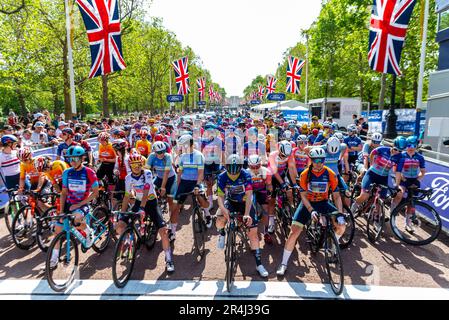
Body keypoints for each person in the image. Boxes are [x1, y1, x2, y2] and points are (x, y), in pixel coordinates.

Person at [276, 147, 344, 276]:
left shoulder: (330, 174)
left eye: (321, 160)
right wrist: (311, 210)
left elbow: (336, 196)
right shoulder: (305, 174)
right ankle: (284, 263)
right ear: (311, 160)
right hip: (308, 203)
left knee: (342, 226)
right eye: (316, 160)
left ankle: (333, 246)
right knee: (294, 231)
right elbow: (303, 196)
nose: (319, 163)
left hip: (323, 202)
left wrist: (339, 213)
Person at [116, 152, 174, 273]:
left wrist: (142, 208)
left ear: (142, 164)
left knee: (163, 231)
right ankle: (128, 240)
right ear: (130, 165)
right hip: (138, 202)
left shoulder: (147, 173)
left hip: (151, 202)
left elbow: (146, 191)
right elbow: (127, 196)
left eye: (138, 164)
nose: (136, 167)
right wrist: (122, 213)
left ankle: (169, 259)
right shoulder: (128, 178)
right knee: (120, 224)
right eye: (133, 164)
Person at [215, 154, 269, 277]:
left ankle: (259, 264)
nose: (233, 175)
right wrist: (223, 209)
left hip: (246, 203)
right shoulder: (222, 176)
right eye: (231, 173)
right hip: (231, 202)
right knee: (219, 219)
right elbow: (220, 196)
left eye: (236, 173)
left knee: (253, 234)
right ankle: (222, 233)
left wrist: (246, 214)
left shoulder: (246, 174)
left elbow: (250, 194)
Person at [49, 146, 99, 268]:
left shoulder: (89, 172)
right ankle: (54, 258)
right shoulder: (67, 172)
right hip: (69, 204)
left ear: (82, 158)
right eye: (71, 159)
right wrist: (61, 211)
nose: (73, 161)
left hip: (83, 203)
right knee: (57, 230)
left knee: (76, 220)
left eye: (76, 158)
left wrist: (80, 204)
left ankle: (88, 231)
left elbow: (96, 192)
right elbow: (64, 193)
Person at [171, 134, 208, 242]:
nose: (181, 147)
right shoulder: (183, 156)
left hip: (196, 181)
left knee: (201, 198)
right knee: (175, 207)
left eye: (183, 145)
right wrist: (177, 187)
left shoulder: (198, 155)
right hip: (184, 182)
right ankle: (172, 232)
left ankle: (207, 213)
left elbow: (201, 173)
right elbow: (179, 173)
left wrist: (197, 185)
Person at [394, 136, 426, 232]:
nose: (411, 147)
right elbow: (396, 169)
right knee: (399, 194)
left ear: (417, 146)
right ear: (405, 146)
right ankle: (392, 215)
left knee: (411, 203)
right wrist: (400, 178)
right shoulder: (401, 156)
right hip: (403, 178)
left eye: (413, 145)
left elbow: (423, 171)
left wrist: (418, 179)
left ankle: (408, 223)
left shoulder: (420, 157)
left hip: (413, 180)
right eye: (408, 145)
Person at [147, 141, 177, 226]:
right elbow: (146, 170)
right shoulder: (152, 156)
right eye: (159, 152)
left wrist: (163, 187)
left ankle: (171, 223)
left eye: (163, 151)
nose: (161, 154)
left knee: (170, 202)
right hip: (159, 178)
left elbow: (166, 173)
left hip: (171, 178)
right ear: (154, 151)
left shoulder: (168, 156)